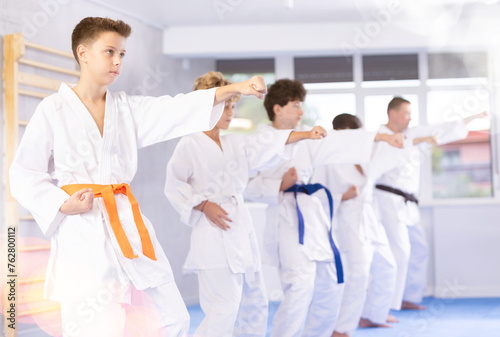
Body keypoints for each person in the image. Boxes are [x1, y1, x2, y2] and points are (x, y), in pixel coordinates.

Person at [9, 17, 267, 337]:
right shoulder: (53, 110)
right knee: (97, 326)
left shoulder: (127, 109)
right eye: (109, 52)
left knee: (174, 318)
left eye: (122, 54)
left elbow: (178, 109)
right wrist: (63, 204)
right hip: (83, 228)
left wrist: (238, 87)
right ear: (83, 53)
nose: (118, 61)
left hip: (128, 223)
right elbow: (22, 173)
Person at [164, 72, 327, 337]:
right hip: (213, 232)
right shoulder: (189, 144)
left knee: (256, 302)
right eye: (225, 106)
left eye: (233, 106)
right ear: (206, 106)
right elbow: (174, 185)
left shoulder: (235, 142)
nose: (230, 112)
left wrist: (306, 134)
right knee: (224, 307)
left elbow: (268, 145)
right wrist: (204, 204)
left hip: (241, 229)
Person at [244, 79, 405, 337]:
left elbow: (342, 142)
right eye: (296, 106)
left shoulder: (309, 135)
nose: (301, 112)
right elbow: (245, 185)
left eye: (301, 106)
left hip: (313, 216)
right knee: (299, 286)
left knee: (332, 283)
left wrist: (384, 137)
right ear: (277, 108)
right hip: (286, 218)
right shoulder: (258, 141)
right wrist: (279, 185)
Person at [373, 97, 489, 310]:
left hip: (408, 202)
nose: (410, 118)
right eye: (407, 113)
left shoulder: (413, 133)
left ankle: (408, 297)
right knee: (398, 251)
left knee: (419, 249)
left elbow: (443, 129)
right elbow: (386, 153)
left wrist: (475, 117)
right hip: (386, 199)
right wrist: (418, 141)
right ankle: (385, 305)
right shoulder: (379, 137)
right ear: (393, 113)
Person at [311, 114, 405, 337]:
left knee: (388, 265)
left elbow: (390, 155)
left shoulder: (364, 154)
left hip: (370, 216)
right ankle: (341, 328)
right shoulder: (326, 157)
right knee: (358, 272)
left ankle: (373, 315)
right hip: (348, 218)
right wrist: (341, 196)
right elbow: (315, 192)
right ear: (341, 133)